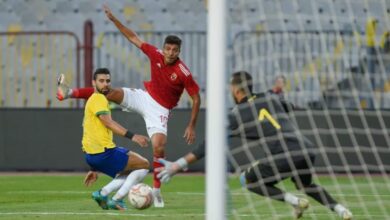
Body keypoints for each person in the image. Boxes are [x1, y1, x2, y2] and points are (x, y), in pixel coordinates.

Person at [56, 4, 201, 208]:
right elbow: (133, 38)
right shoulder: (156, 54)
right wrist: (115, 20)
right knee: (108, 91)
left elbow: (196, 98)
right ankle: (68, 92)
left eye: (174, 50)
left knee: (159, 146)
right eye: (168, 48)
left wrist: (191, 125)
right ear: (164, 47)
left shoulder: (183, 72)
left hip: (160, 110)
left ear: (179, 51)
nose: (170, 53)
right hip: (144, 97)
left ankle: (157, 191)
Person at [157, 71, 353, 219]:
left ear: (236, 90)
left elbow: (210, 143)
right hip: (306, 149)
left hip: (284, 155)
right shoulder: (270, 97)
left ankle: (295, 201)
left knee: (247, 181)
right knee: (305, 184)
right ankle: (341, 210)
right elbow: (289, 107)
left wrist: (179, 164)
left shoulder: (236, 114)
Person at [79, 68, 150, 210]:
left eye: (108, 81)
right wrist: (133, 136)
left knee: (129, 170)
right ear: (94, 83)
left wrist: (94, 167)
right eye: (101, 81)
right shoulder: (98, 98)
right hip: (104, 152)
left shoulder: (94, 100)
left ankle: (103, 193)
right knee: (144, 165)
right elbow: (108, 123)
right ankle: (116, 198)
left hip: (93, 154)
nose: (105, 84)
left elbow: (91, 130)